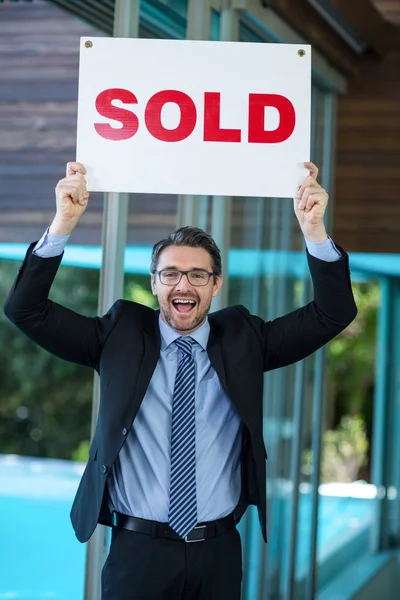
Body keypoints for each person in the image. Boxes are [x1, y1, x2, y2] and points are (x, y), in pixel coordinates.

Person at [4, 160, 357, 600]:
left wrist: (314, 231)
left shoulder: (246, 339)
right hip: (138, 553)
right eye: (170, 273)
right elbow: (25, 310)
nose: (182, 285)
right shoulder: (118, 336)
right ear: (154, 283)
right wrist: (63, 223)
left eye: (197, 274)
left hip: (219, 552)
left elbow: (334, 313)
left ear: (216, 285)